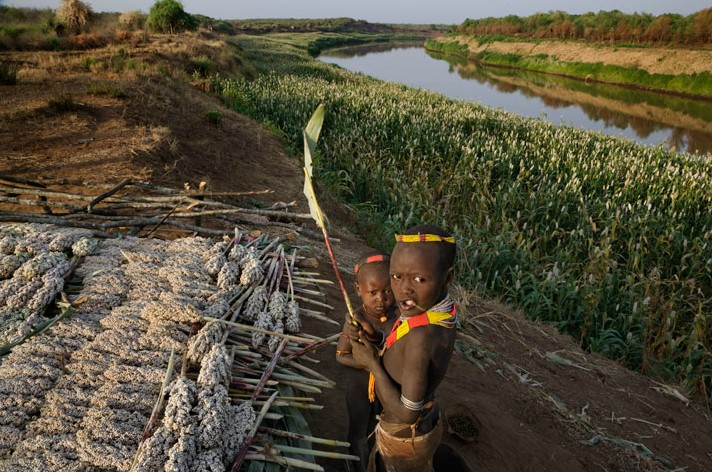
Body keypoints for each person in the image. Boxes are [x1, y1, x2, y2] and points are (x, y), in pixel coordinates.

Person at [350, 224, 457, 472]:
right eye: (396, 277)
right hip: (422, 424)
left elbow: (407, 412)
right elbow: (403, 351)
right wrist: (376, 338)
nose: (404, 289)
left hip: (403, 434)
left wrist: (372, 365)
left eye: (419, 279)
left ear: (447, 278)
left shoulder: (422, 337)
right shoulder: (438, 312)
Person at [335, 252, 398, 472]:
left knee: (377, 429)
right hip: (359, 388)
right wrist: (368, 363)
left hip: (387, 389)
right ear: (358, 291)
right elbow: (341, 355)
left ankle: (373, 463)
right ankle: (357, 466)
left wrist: (375, 357)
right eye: (373, 292)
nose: (381, 299)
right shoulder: (355, 320)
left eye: (388, 291)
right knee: (358, 432)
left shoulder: (399, 316)